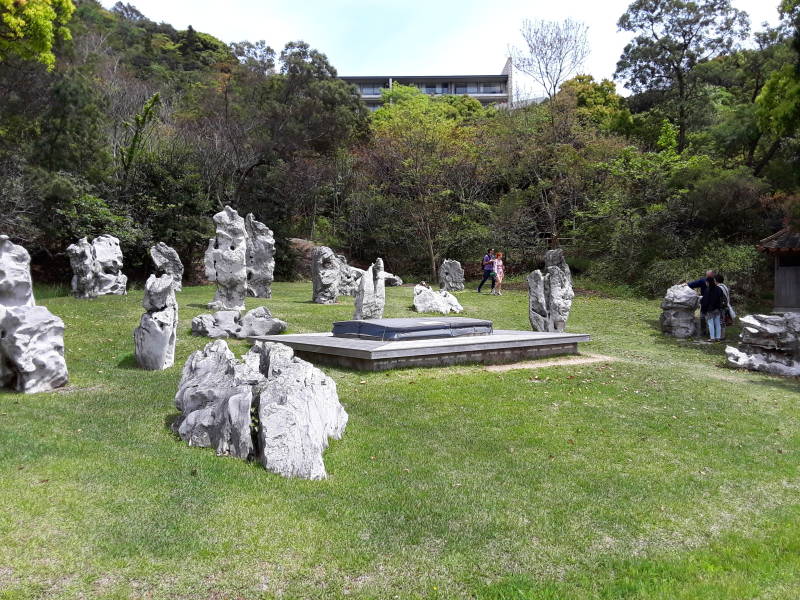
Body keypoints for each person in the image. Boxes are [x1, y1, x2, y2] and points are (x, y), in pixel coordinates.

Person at [700, 276, 725, 342]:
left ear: (708, 282)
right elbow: (721, 298)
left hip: (710, 310)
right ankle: (718, 337)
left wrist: (703, 309)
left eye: (706, 282)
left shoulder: (708, 290)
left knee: (710, 323)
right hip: (717, 309)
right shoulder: (719, 289)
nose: (706, 283)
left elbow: (705, 301)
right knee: (717, 323)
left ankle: (712, 338)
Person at [715, 273, 735, 339]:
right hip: (725, 306)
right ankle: (721, 335)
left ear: (716, 280)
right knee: (722, 321)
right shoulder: (724, 286)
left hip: (721, 306)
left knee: (720, 321)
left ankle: (721, 336)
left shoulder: (719, 287)